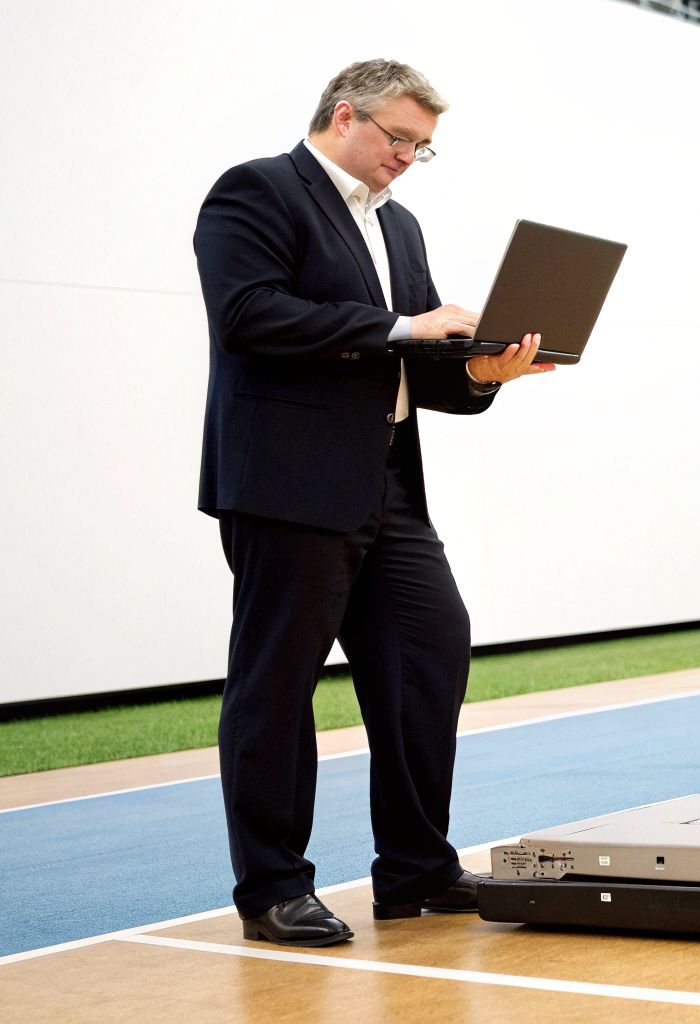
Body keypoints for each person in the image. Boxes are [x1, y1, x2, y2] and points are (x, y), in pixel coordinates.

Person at [194, 59, 553, 946]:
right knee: (276, 687)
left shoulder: (400, 227)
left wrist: (479, 369)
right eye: (400, 139)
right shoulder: (256, 191)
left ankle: (417, 870)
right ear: (344, 115)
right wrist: (403, 327)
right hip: (287, 485)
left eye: (422, 148)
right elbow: (249, 314)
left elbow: (418, 363)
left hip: (387, 484)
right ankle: (273, 889)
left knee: (431, 656)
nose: (407, 157)